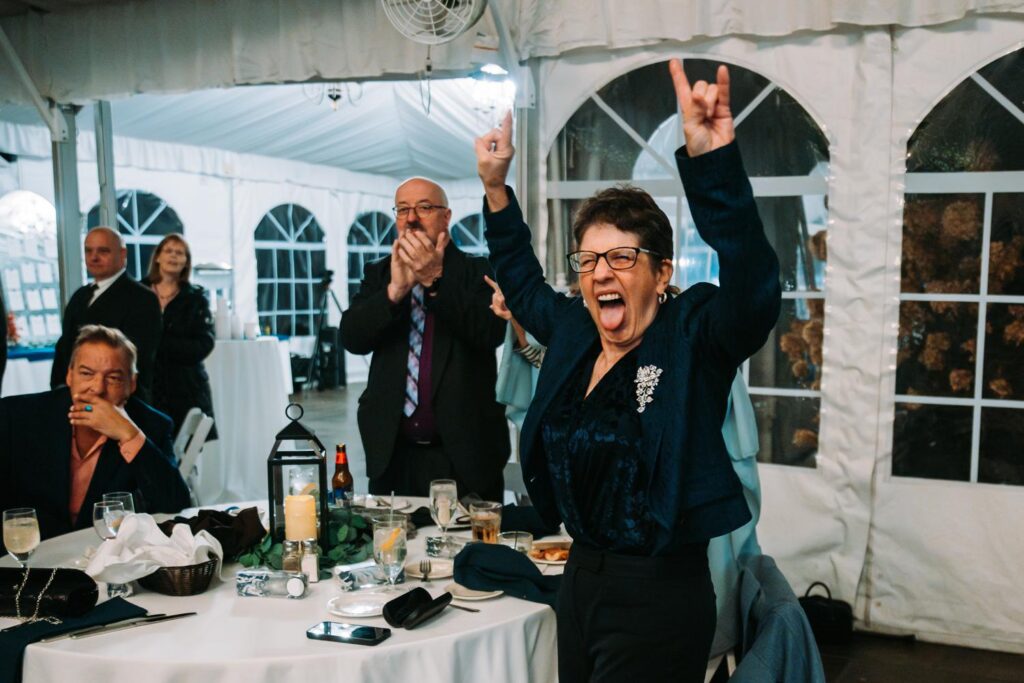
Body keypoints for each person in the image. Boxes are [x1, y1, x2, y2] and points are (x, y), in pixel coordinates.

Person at [475, 60, 781, 682]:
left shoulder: (692, 335)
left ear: (662, 272)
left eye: (620, 256)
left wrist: (714, 165)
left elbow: (754, 290)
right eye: (588, 261)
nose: (600, 273)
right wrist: (495, 189)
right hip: (579, 583)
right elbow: (524, 282)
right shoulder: (575, 333)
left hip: (659, 599)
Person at [340, 177, 509, 502]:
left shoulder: (479, 271)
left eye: (424, 207)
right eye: (403, 209)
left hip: (465, 458)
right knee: (391, 550)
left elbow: (489, 333)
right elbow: (353, 338)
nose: (412, 217)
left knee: (470, 551)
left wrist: (435, 279)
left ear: (446, 217)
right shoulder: (379, 274)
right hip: (392, 455)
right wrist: (394, 292)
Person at [0, 325, 190, 544]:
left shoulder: (151, 425)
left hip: (105, 557)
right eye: (86, 374)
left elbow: (176, 507)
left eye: (114, 378)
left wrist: (128, 435)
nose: (98, 388)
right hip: (33, 560)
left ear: (132, 384)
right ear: (70, 375)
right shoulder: (18, 417)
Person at [50, 226, 162, 403]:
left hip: (120, 402)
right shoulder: (80, 296)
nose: (94, 257)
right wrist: (59, 389)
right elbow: (64, 346)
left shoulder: (142, 298)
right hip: (73, 396)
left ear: (122, 254)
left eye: (103, 251)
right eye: (88, 251)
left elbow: (138, 357)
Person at [140, 233, 217, 438]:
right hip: (146, 384)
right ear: (157, 257)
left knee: (186, 451)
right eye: (168, 251)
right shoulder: (138, 293)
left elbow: (204, 343)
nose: (173, 256)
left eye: (179, 253)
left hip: (185, 386)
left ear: (186, 261)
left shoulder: (196, 299)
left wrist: (161, 345)